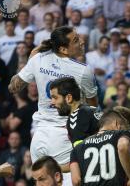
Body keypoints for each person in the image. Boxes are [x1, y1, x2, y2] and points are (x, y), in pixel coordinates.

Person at [8, 26, 98, 185]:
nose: (82, 42)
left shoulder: (38, 59)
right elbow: (93, 109)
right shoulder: (83, 71)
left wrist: (31, 59)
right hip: (65, 137)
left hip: (39, 136)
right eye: (76, 40)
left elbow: (13, 87)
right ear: (63, 49)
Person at [69, 106, 130, 186]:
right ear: (117, 124)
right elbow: (123, 146)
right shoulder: (121, 135)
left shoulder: (77, 148)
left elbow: (76, 180)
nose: (123, 130)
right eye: (122, 127)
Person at [50, 77, 101, 147]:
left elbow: (81, 151)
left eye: (55, 98)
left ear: (69, 98)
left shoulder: (75, 117)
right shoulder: (91, 110)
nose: (52, 102)